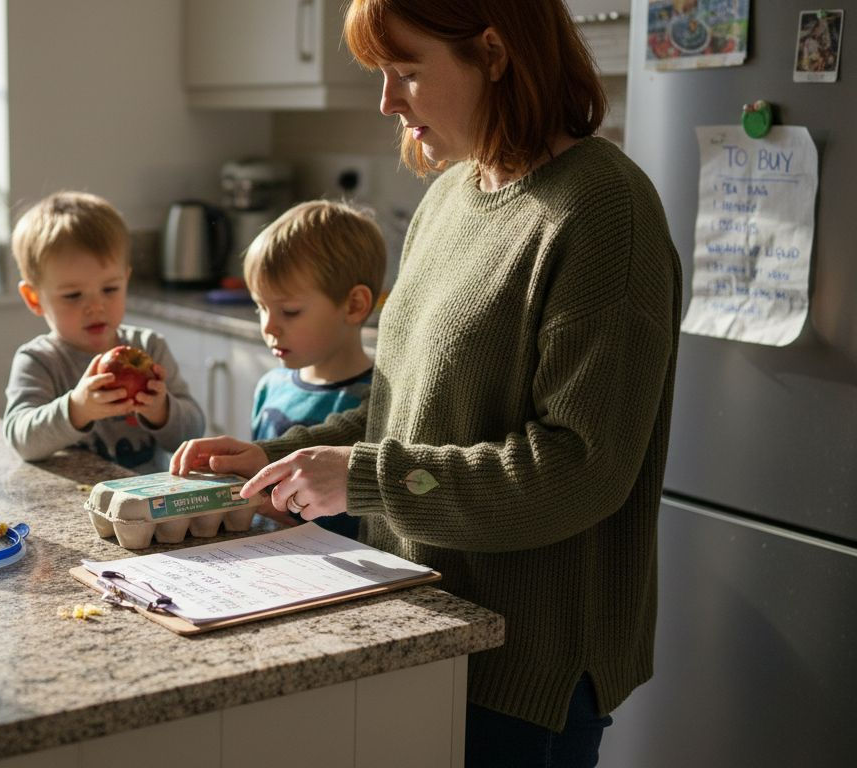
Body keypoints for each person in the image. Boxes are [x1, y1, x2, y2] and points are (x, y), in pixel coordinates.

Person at [170, 1, 681, 765]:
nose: (387, 100)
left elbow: (580, 470)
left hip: (520, 664)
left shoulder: (603, 209)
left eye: (407, 72)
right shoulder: (450, 197)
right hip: (413, 618)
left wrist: (362, 479)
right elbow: (404, 405)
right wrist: (282, 454)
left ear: (496, 53)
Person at [4, 191, 205, 471]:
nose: (96, 307)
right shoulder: (39, 361)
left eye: (110, 289)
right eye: (73, 295)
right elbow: (21, 440)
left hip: (147, 507)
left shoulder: (151, 348)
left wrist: (161, 410)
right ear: (34, 298)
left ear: (126, 280)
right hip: (71, 506)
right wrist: (77, 408)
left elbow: (192, 431)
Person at [243, 200, 385, 538]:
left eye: (289, 311)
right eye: (261, 308)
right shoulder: (270, 386)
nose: (269, 327)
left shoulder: (377, 400)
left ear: (354, 305)